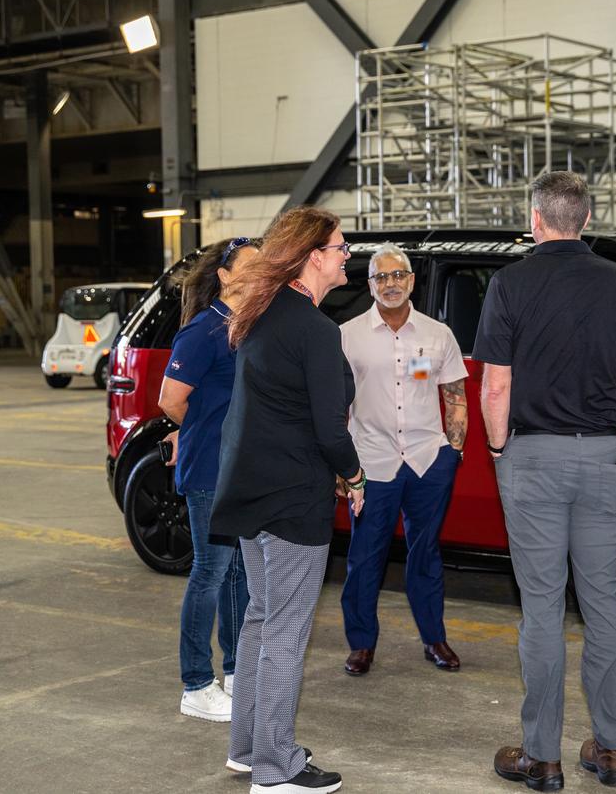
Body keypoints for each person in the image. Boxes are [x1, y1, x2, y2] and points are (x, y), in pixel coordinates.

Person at [474, 171, 616, 791]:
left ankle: (542, 758)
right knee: (603, 602)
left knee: (543, 609)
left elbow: (495, 384)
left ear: (536, 219)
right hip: (602, 456)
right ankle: (612, 752)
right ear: (585, 219)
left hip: (532, 457)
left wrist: (500, 448)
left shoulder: (509, 283)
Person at [209, 208, 365, 794]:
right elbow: (331, 429)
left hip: (252, 491)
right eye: (340, 247)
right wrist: (354, 477)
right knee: (285, 631)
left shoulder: (263, 315)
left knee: (259, 618)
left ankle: (248, 749)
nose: (347, 254)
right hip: (293, 496)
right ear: (313, 256)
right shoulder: (316, 330)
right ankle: (277, 768)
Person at [339, 243, 469, 676]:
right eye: (381, 277)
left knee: (426, 554)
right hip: (371, 463)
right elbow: (336, 405)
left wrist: (453, 453)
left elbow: (455, 399)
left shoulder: (437, 335)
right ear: (370, 283)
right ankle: (361, 644)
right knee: (364, 557)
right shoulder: (347, 335)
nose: (391, 284)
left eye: (399, 276)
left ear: (412, 280)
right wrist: (342, 465)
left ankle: (434, 638)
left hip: (428, 460)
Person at [158, 237, 258, 723]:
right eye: (252, 265)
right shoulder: (203, 331)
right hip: (209, 471)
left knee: (237, 572)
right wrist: (199, 430)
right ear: (224, 275)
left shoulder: (247, 325)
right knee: (209, 573)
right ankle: (196, 684)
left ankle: (237, 671)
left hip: (240, 470)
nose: (263, 270)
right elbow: (170, 400)